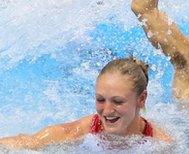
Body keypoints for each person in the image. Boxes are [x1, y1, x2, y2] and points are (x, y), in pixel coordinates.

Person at [0, 57, 169, 150]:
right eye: (100, 100)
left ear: (141, 99)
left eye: (117, 101)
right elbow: (31, 142)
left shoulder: (160, 145)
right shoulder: (84, 130)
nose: (107, 110)